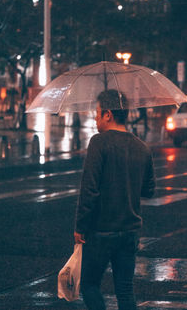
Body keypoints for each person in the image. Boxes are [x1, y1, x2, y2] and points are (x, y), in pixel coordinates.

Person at [74, 89, 155, 310]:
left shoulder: (99, 143)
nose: (95, 117)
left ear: (108, 114)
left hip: (101, 230)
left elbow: (89, 189)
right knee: (125, 290)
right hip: (130, 231)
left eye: (97, 112)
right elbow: (149, 190)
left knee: (89, 285)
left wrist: (80, 226)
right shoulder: (142, 147)